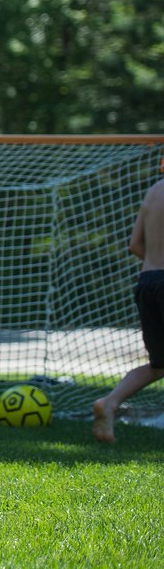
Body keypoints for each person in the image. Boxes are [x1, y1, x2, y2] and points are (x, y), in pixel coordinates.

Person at [93, 177, 164, 443]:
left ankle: (110, 402)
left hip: (148, 282)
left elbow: (135, 245)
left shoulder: (154, 191)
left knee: (159, 364)